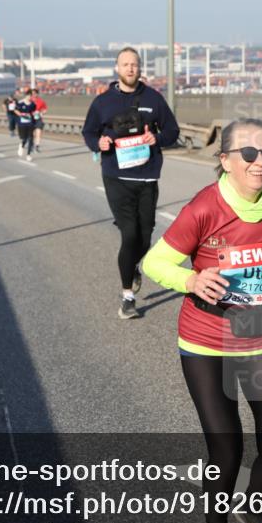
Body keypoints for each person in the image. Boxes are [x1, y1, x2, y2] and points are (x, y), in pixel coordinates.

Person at [143, 118, 262, 523]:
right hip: (207, 343)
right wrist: (191, 280)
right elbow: (155, 262)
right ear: (225, 160)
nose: (260, 162)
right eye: (248, 154)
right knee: (227, 447)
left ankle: (253, 509)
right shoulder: (205, 207)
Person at [82, 46, 180, 319]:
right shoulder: (103, 102)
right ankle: (127, 297)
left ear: (139, 68)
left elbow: (172, 131)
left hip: (147, 176)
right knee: (129, 234)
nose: (130, 68)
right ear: (117, 68)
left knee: (145, 236)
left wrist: (157, 139)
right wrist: (98, 143)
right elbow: (89, 132)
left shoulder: (153, 99)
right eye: (125, 64)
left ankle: (133, 266)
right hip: (117, 176)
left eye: (134, 64)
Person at [14, 91, 37, 161]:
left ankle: (28, 155)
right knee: (24, 138)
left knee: (31, 138)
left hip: (30, 123)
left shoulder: (33, 104)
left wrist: (36, 114)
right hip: (22, 123)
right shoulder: (20, 103)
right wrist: (21, 114)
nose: (30, 97)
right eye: (28, 96)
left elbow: (34, 112)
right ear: (26, 96)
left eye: (31, 96)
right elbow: (15, 110)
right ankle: (22, 145)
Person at [31, 88, 47, 153]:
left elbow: (45, 109)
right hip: (30, 119)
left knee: (39, 133)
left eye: (35, 93)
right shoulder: (29, 101)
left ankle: (37, 146)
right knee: (31, 134)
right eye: (32, 94)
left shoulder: (41, 101)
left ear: (37, 94)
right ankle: (31, 145)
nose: (33, 95)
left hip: (38, 119)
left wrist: (41, 113)